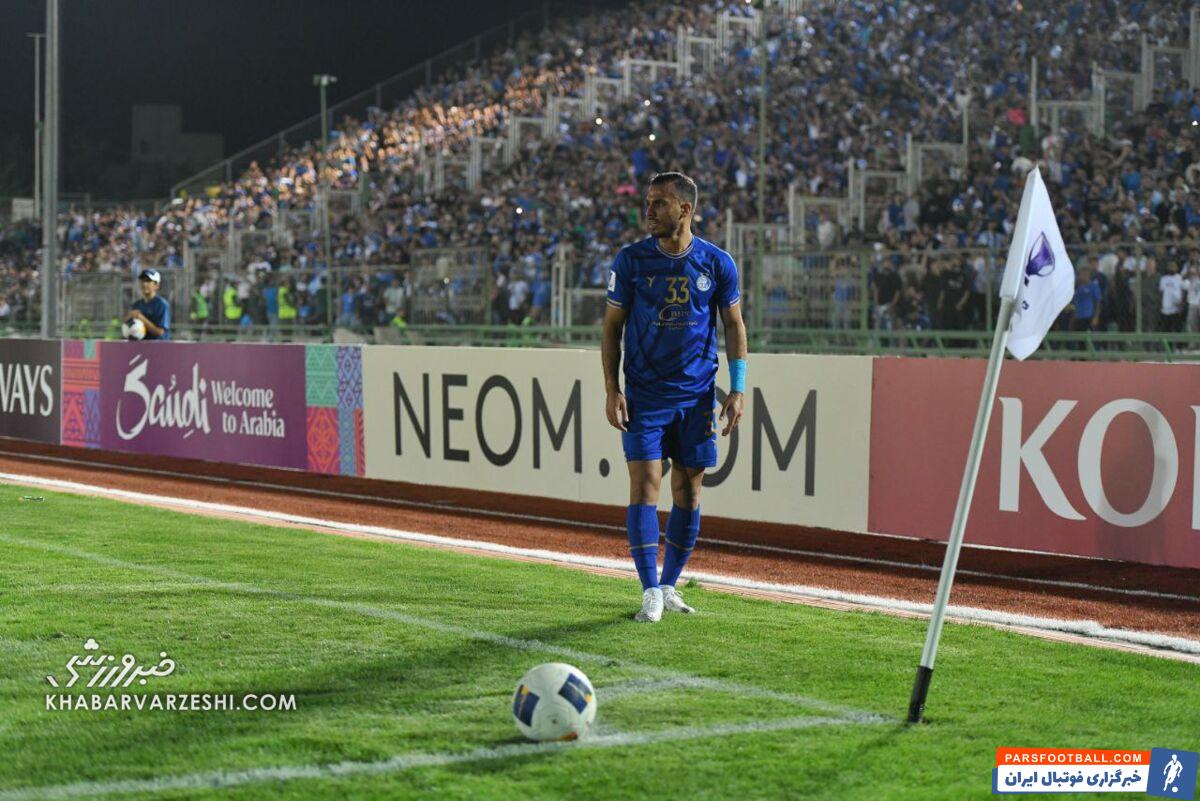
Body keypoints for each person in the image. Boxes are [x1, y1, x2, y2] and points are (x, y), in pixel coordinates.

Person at [601, 171, 748, 623]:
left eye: (659, 203)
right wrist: (612, 389)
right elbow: (611, 328)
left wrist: (738, 387)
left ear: (685, 209)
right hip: (645, 396)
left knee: (689, 491)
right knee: (646, 484)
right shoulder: (631, 261)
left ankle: (669, 585)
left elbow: (734, 325)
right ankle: (649, 589)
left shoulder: (717, 263)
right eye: (648, 202)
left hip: (697, 397)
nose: (648, 210)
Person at [124, 269, 170, 340]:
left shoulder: (162, 305)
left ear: (157, 285)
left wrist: (141, 318)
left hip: (159, 345)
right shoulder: (136, 305)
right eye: (142, 281)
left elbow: (160, 332)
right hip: (141, 345)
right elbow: (128, 325)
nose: (144, 284)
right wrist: (128, 317)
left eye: (148, 281)